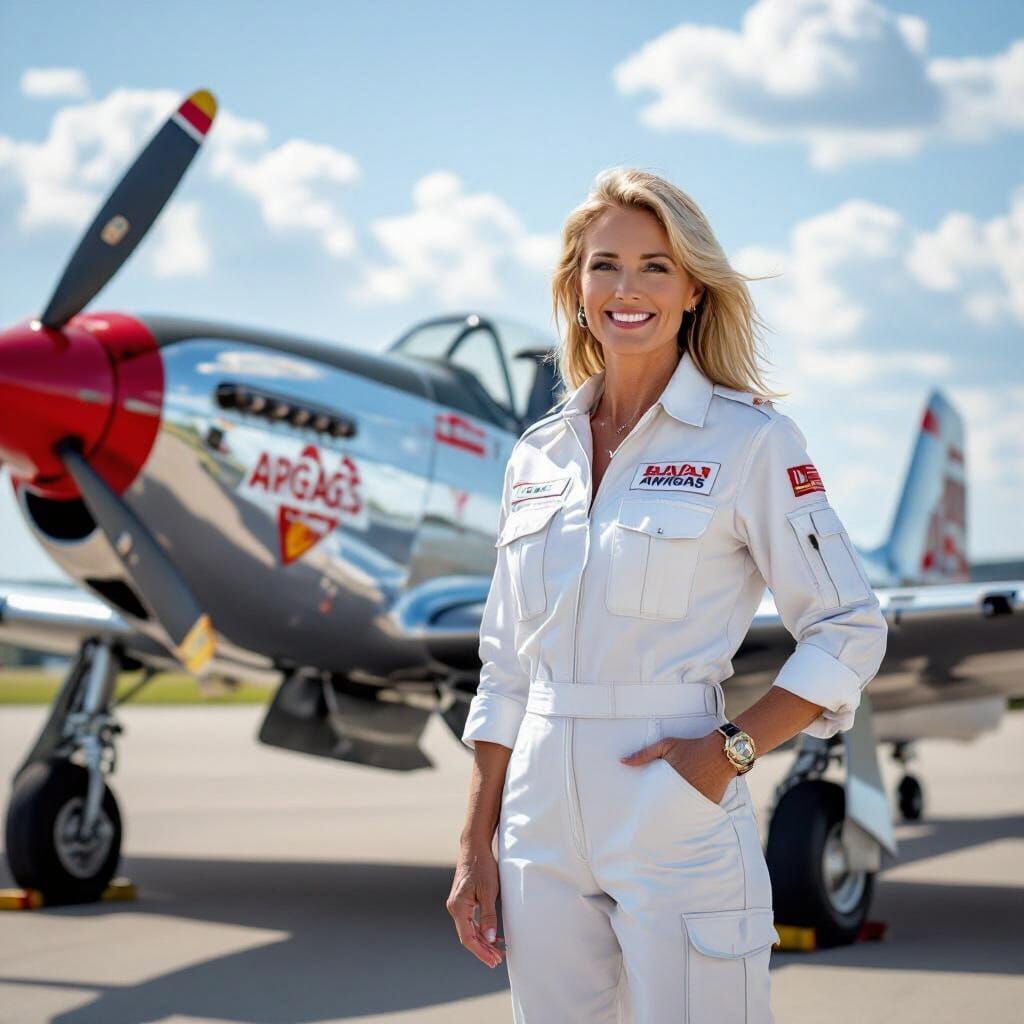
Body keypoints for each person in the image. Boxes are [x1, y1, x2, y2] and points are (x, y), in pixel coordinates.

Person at [446, 167, 888, 1023]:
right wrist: (476, 843)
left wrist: (728, 755)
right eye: (605, 264)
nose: (628, 288)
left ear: (692, 290)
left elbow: (848, 627)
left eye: (656, 266)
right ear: (576, 287)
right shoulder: (537, 454)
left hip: (675, 794)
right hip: (536, 816)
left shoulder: (751, 439)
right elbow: (503, 668)